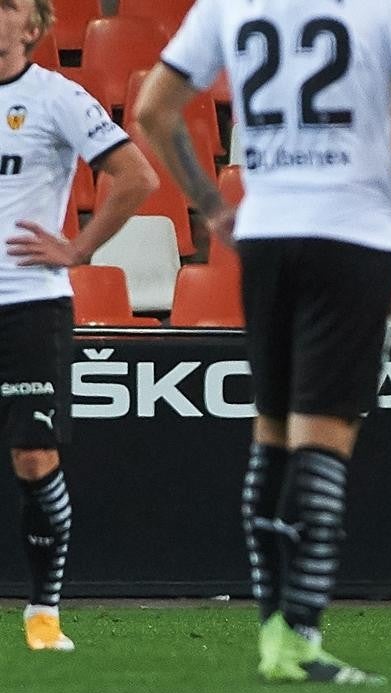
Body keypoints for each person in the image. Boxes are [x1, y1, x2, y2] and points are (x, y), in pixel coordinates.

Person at [136, 0, 391, 685]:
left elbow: (152, 110)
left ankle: (274, 635)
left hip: (266, 237)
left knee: (272, 435)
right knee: (322, 444)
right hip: (350, 236)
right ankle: (303, 637)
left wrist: (208, 202)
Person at [0, 0, 158, 651]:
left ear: (32, 28)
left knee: (34, 456)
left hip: (30, 303)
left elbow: (135, 176)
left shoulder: (56, 98)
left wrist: (79, 246)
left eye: (6, 4)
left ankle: (43, 612)